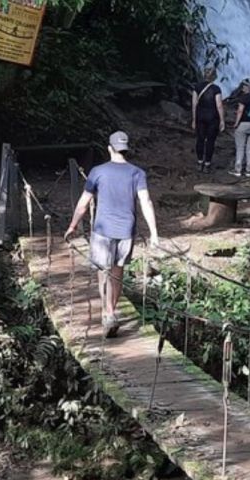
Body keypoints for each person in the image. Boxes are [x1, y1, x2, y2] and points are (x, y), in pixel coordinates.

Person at [64, 131, 160, 338]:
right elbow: (146, 202)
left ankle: (107, 313)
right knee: (117, 272)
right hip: (126, 231)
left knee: (103, 272)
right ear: (126, 149)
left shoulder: (98, 171)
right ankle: (111, 311)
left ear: (110, 148)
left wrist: (73, 225)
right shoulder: (137, 173)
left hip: (102, 231)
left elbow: (84, 202)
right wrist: (154, 233)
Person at [191, 69, 225, 173]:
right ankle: (207, 164)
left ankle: (199, 162)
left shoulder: (197, 87)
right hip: (213, 118)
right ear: (214, 77)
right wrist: (222, 120)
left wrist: (193, 119)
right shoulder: (216, 89)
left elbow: (194, 104)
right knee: (210, 141)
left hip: (200, 117)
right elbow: (219, 105)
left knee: (200, 139)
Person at [231, 78, 250, 178]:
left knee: (240, 147)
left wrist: (236, 123)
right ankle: (249, 170)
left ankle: (238, 170)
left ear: (249, 88)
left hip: (243, 124)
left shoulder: (244, 97)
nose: (243, 87)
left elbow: (240, 111)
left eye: (245, 86)